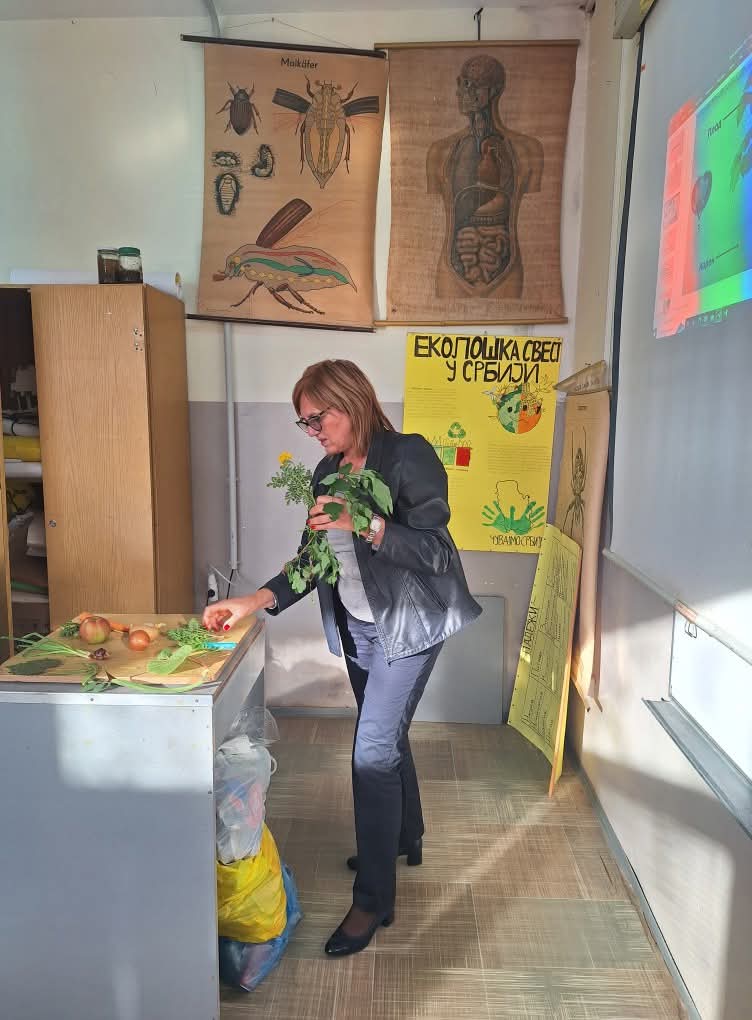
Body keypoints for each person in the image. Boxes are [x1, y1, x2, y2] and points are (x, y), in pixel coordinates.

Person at [204, 359, 482, 957]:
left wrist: (368, 524)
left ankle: (373, 900)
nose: (312, 432)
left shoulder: (406, 456)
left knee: (371, 753)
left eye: (317, 418)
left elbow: (435, 552)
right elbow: (314, 559)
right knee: (388, 738)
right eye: (304, 424)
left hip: (407, 626)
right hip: (359, 628)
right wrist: (251, 601)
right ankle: (405, 834)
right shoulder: (327, 471)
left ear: (351, 402)